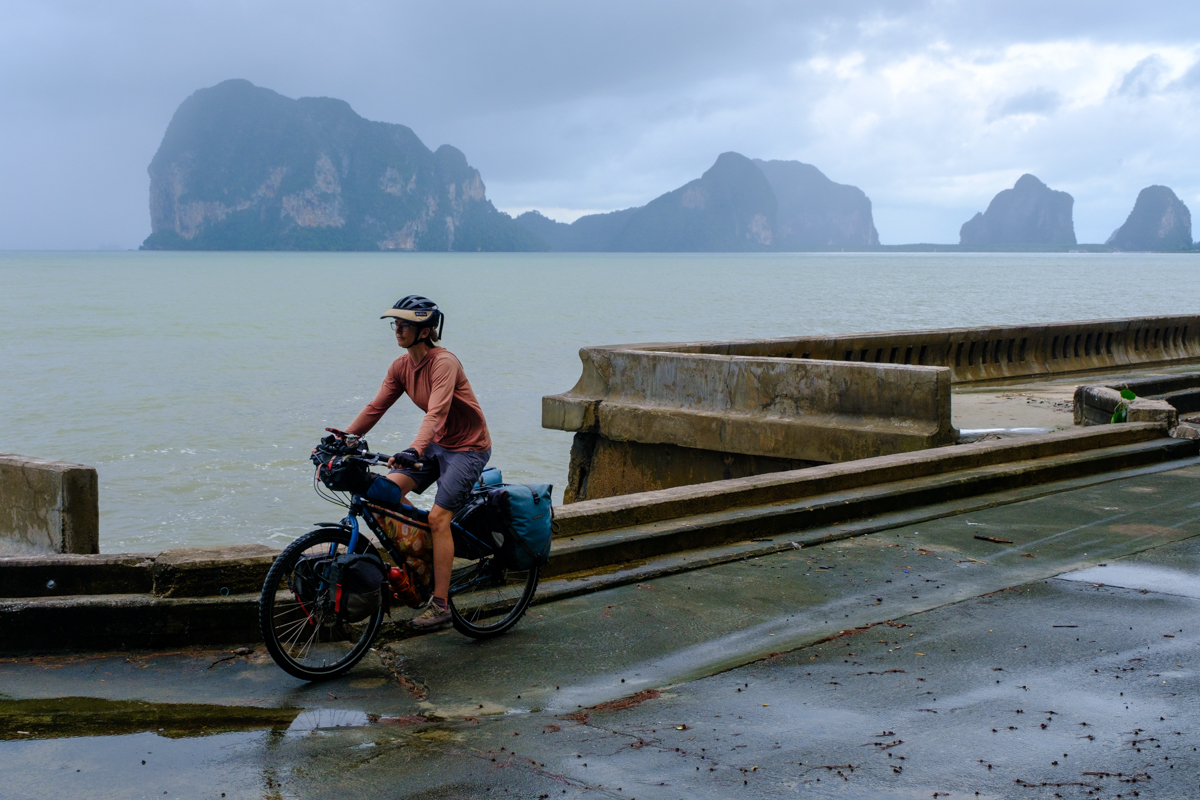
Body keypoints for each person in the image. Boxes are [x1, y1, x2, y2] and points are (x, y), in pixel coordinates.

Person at [344, 295, 491, 629]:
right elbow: (374, 408)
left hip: (468, 448)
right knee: (384, 493)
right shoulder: (401, 367)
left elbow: (437, 413)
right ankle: (423, 554)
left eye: (405, 324)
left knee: (440, 518)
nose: (397, 329)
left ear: (425, 331)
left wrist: (413, 449)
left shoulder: (444, 363)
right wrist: (344, 438)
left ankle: (441, 606)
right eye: (396, 323)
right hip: (436, 444)